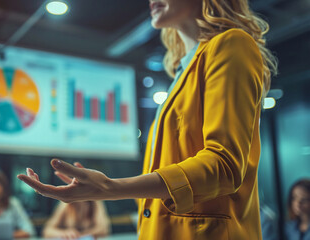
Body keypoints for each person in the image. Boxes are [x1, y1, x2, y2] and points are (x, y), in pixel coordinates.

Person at [18, 0, 278, 239]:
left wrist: (110, 187)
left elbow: (224, 167)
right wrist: (108, 189)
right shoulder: (182, 72)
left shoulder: (232, 44)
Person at [42, 200, 110, 239]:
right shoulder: (65, 203)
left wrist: (81, 235)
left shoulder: (95, 202)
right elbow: (47, 231)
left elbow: (103, 229)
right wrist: (64, 233)